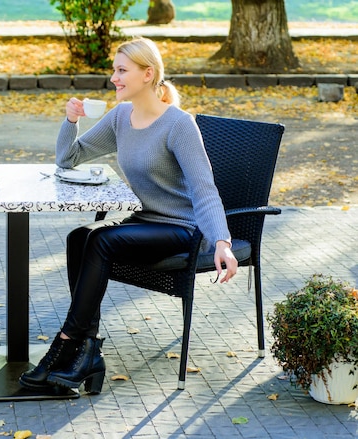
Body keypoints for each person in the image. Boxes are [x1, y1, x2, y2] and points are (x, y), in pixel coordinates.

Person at [19, 37, 238, 394]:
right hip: (144, 221)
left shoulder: (178, 125)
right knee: (80, 237)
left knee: (101, 241)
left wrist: (222, 241)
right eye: (115, 70)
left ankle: (66, 344)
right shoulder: (122, 116)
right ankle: (86, 349)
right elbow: (68, 158)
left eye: (122, 70)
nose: (113, 78)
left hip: (181, 228)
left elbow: (204, 189)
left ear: (147, 74)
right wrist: (70, 120)